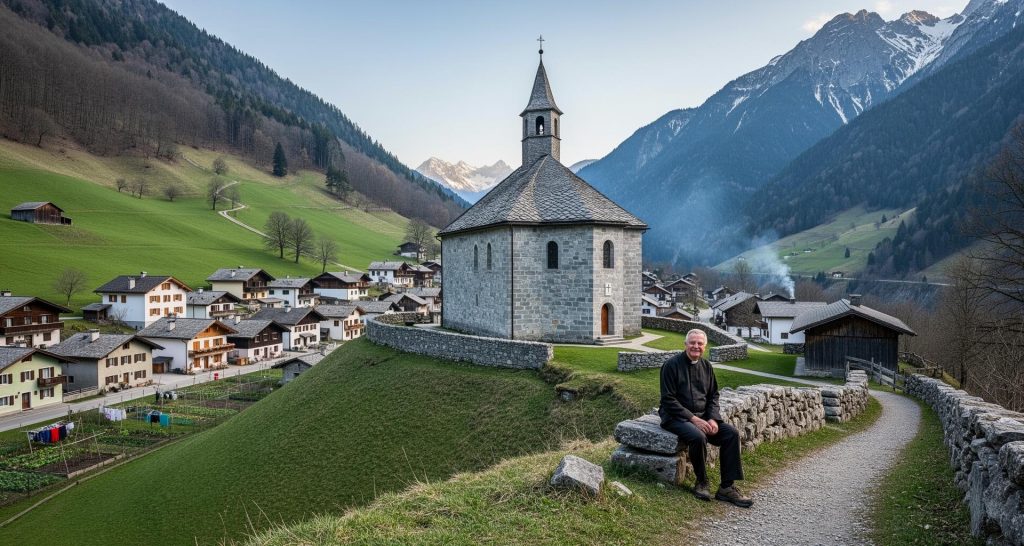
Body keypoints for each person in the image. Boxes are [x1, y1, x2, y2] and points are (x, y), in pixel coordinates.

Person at [659, 329, 752, 507]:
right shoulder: (671, 365)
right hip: (675, 417)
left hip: (703, 417)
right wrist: (693, 419)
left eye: (700, 343)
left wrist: (713, 419)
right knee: (698, 436)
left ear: (705, 346)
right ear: (685, 344)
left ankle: (726, 488)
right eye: (692, 343)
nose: (696, 346)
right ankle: (701, 482)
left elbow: (713, 396)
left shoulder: (706, 366)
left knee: (731, 434)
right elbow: (668, 400)